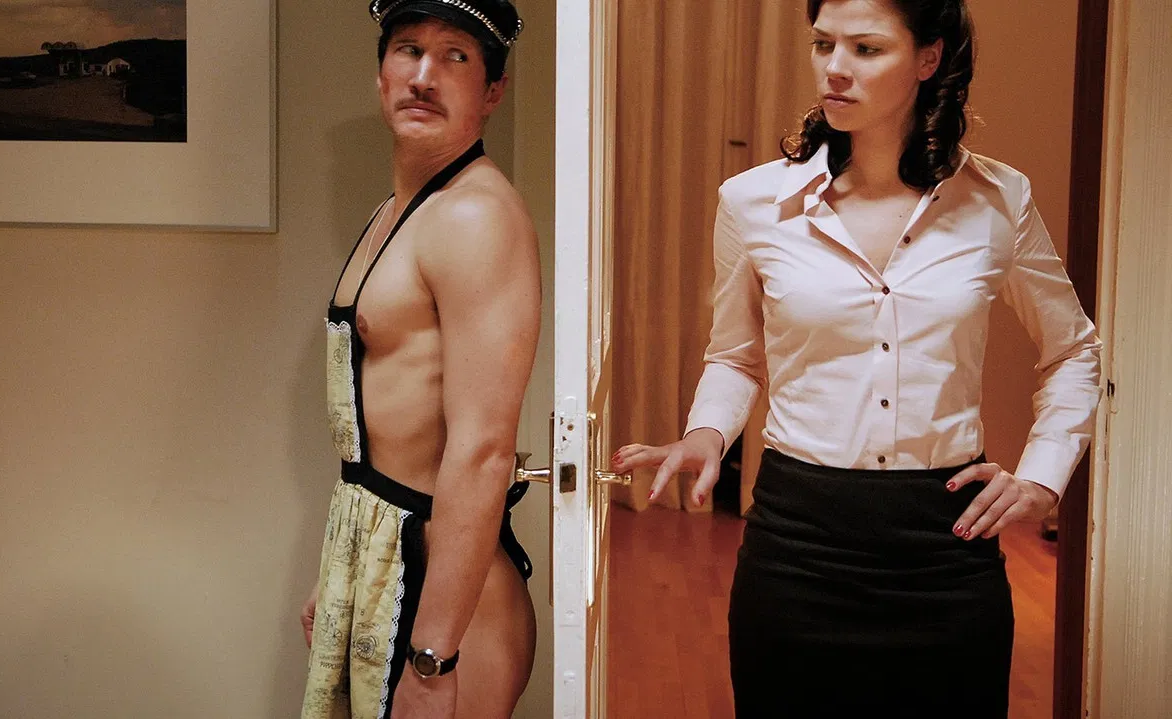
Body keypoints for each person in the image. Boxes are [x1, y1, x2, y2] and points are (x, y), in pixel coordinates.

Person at [611, 0, 1102, 715]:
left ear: (929, 58)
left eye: (866, 49)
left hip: (947, 549)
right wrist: (706, 432)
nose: (834, 69)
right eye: (823, 44)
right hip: (798, 549)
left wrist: (1042, 479)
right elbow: (736, 358)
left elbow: (1074, 350)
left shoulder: (998, 201)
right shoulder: (753, 203)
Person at [300, 2, 540, 717]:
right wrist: (339, 575)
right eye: (408, 50)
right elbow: (382, 428)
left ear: (492, 92)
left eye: (456, 57)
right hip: (383, 562)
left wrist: (433, 663)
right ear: (381, 74)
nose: (424, 76)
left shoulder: (474, 215)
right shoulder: (399, 210)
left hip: (446, 605)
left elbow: (484, 452)